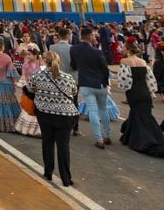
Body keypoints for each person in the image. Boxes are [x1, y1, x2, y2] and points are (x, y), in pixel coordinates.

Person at [27, 51, 79, 187]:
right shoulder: (68, 77)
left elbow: (29, 89)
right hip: (65, 116)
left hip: (45, 114)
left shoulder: (37, 75)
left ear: (45, 61)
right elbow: (74, 93)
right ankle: (66, 178)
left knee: (47, 142)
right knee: (63, 146)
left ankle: (48, 171)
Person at [116, 41, 164, 157]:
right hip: (145, 92)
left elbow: (125, 80)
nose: (122, 50)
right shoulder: (143, 62)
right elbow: (150, 79)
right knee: (141, 114)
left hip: (134, 92)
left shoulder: (124, 61)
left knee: (140, 116)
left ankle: (147, 140)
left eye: (123, 48)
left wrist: (125, 90)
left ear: (128, 50)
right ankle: (129, 137)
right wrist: (151, 92)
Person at [70, 27, 111, 149]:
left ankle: (99, 139)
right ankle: (107, 135)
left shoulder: (74, 49)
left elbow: (73, 65)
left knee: (92, 110)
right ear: (90, 37)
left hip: (85, 83)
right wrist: (105, 81)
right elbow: (105, 68)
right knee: (103, 109)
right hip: (99, 83)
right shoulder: (97, 52)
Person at [0, 37, 21, 134]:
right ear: (2, 47)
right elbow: (11, 73)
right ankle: (11, 123)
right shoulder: (7, 57)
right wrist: (13, 84)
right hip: (7, 83)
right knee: (10, 103)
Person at [15, 44, 43, 138]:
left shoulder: (41, 63)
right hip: (31, 88)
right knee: (29, 107)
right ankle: (26, 129)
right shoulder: (26, 65)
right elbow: (25, 77)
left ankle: (37, 130)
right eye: (27, 55)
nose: (27, 56)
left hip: (40, 88)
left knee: (38, 108)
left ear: (35, 55)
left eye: (29, 54)